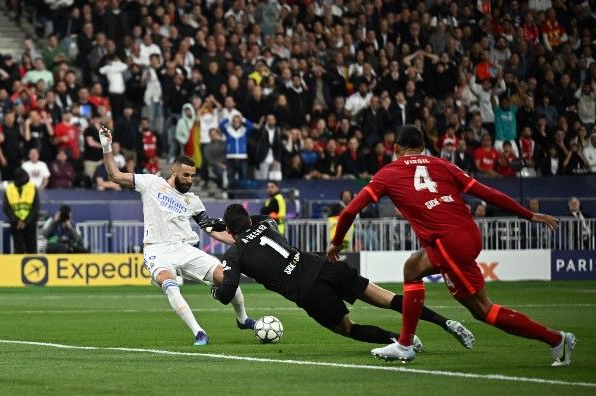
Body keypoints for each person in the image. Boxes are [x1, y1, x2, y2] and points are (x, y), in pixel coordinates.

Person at [327, 124, 575, 365]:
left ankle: (556, 340)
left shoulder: (388, 173)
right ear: (423, 146)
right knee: (414, 269)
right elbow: (487, 193)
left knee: (483, 310)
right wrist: (529, 214)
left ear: (396, 148)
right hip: (467, 235)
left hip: (448, 242)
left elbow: (349, 212)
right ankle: (404, 343)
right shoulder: (443, 164)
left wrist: (336, 243)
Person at [213, 204, 474, 350]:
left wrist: (215, 290)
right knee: (386, 297)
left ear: (230, 231)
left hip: (307, 291)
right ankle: (446, 322)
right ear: (248, 220)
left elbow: (227, 294)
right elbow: (256, 221)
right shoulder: (265, 224)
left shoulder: (235, 253)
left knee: (349, 329)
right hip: (322, 265)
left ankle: (400, 339)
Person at [100, 126, 254, 346]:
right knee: (169, 283)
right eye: (186, 175)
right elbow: (114, 175)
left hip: (184, 249)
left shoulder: (193, 201)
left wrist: (240, 240)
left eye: (192, 176)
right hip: (157, 250)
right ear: (174, 172)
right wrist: (106, 146)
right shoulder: (152, 183)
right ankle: (199, 332)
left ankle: (243, 319)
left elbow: (211, 228)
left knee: (227, 277)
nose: (190, 180)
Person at [4, 168, 39, 254]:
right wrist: (17, 221)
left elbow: (36, 207)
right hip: (16, 224)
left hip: (30, 223)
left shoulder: (32, 187)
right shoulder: (9, 189)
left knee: (32, 249)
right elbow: (6, 208)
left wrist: (25, 222)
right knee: (19, 249)